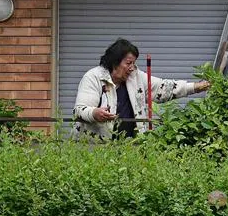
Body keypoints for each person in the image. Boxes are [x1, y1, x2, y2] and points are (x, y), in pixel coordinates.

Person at [73, 38, 209, 140]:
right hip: (95, 147)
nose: (132, 67)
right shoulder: (93, 77)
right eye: (128, 63)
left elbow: (164, 88)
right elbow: (80, 110)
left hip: (131, 146)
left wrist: (196, 87)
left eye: (134, 63)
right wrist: (95, 113)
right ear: (115, 62)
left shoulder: (135, 76)